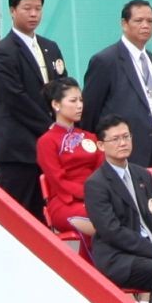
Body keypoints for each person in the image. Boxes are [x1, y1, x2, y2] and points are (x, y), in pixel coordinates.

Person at [0, 0, 65, 219]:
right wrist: (51, 128)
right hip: (19, 151)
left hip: (50, 149)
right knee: (19, 216)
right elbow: (15, 98)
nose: (33, 14)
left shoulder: (50, 47)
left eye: (38, 9)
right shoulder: (3, 51)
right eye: (27, 8)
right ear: (12, 10)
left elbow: (62, 86)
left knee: (48, 214)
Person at [86, 114, 152, 294]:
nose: (123, 143)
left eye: (126, 136)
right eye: (115, 139)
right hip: (120, 257)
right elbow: (112, 231)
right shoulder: (96, 184)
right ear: (101, 145)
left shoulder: (142, 175)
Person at [79, 0, 152, 168]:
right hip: (128, 149)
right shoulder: (106, 60)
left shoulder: (151, 59)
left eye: (150, 21)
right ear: (124, 23)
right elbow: (89, 114)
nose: (145, 25)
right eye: (138, 21)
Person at [37, 79, 100, 238]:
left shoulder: (90, 137)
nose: (79, 105)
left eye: (81, 100)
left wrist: (100, 194)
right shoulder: (47, 141)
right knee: (104, 219)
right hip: (65, 203)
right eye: (73, 100)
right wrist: (88, 194)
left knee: (119, 213)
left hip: (96, 198)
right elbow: (58, 180)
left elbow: (103, 171)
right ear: (56, 105)